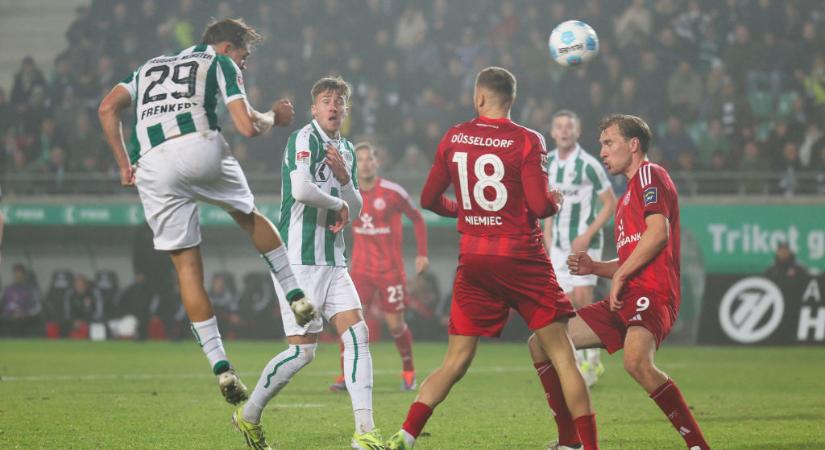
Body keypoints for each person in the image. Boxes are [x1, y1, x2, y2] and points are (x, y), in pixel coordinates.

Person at [98, 18, 316, 406]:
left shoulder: (148, 67)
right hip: (199, 145)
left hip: (151, 164)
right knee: (248, 216)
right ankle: (296, 295)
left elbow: (106, 108)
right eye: (244, 55)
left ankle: (221, 368)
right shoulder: (218, 62)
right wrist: (274, 117)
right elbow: (247, 127)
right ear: (228, 47)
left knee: (186, 267)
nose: (244, 63)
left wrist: (122, 165)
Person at [386, 67, 599, 450]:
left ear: (479, 98)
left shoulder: (453, 136)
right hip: (521, 258)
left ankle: (405, 435)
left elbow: (429, 200)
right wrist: (555, 199)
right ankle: (583, 444)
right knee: (563, 354)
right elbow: (538, 205)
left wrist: (465, 210)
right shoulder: (529, 140)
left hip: (475, 261)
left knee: (455, 361)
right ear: (511, 100)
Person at [529, 114, 710, 450]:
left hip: (653, 294)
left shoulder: (650, 175)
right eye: (601, 144)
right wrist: (596, 267)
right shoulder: (627, 196)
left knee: (636, 361)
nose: (603, 151)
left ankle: (698, 445)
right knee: (540, 344)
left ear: (633, 144)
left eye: (609, 143)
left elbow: (659, 235)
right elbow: (631, 258)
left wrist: (622, 275)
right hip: (625, 298)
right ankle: (570, 441)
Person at [232, 76, 382, 450]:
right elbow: (300, 189)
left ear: (346, 110)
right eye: (327, 100)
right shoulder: (304, 138)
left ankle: (365, 432)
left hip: (334, 261)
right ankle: (248, 415)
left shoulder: (346, 149)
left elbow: (358, 208)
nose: (334, 106)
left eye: (340, 101)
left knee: (358, 335)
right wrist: (339, 203)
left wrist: (346, 183)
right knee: (303, 351)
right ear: (314, 108)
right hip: (299, 261)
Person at [329, 141, 429, 392]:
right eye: (360, 159)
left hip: (390, 271)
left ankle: (408, 370)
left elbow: (417, 218)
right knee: (349, 322)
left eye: (369, 158)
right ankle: (344, 376)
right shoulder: (348, 193)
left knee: (395, 326)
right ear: (354, 164)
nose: (365, 163)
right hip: (361, 271)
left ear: (377, 162)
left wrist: (422, 254)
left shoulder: (393, 192)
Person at [535, 110, 616, 387]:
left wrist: (587, 234)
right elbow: (547, 206)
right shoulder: (547, 165)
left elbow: (610, 203)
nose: (564, 131)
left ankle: (592, 360)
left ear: (577, 131)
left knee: (584, 299)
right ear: (553, 132)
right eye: (559, 127)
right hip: (557, 245)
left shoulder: (589, 164)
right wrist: (546, 237)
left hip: (586, 244)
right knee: (565, 306)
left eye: (569, 126)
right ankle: (580, 358)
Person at [0, 263, 43, 337]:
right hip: (7, 318)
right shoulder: (6, 289)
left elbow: (38, 307)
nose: (17, 275)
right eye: (15, 272)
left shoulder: (31, 289)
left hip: (25, 318)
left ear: (24, 274)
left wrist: (26, 314)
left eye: (19, 273)